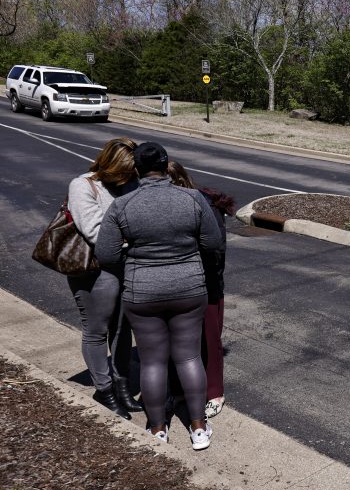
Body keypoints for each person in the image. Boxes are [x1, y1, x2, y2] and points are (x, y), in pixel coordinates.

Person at [96, 142, 223, 450]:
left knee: (152, 362)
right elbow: (213, 243)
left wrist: (136, 258)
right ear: (167, 167)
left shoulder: (122, 205)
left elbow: (106, 255)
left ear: (136, 170)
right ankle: (198, 427)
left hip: (143, 292)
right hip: (188, 288)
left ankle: (157, 430)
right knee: (189, 356)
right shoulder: (192, 199)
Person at [67, 137, 142, 419]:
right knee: (96, 329)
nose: (127, 178)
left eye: (131, 173)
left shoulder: (131, 183)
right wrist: (134, 236)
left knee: (122, 331)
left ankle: (122, 387)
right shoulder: (83, 185)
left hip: (124, 266)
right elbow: (96, 233)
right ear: (109, 165)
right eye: (123, 172)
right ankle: (104, 389)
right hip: (92, 269)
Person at [167, 161, 236, 418]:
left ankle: (214, 392)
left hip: (207, 283)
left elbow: (216, 251)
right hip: (181, 284)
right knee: (182, 341)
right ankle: (183, 389)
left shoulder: (205, 206)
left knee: (209, 340)